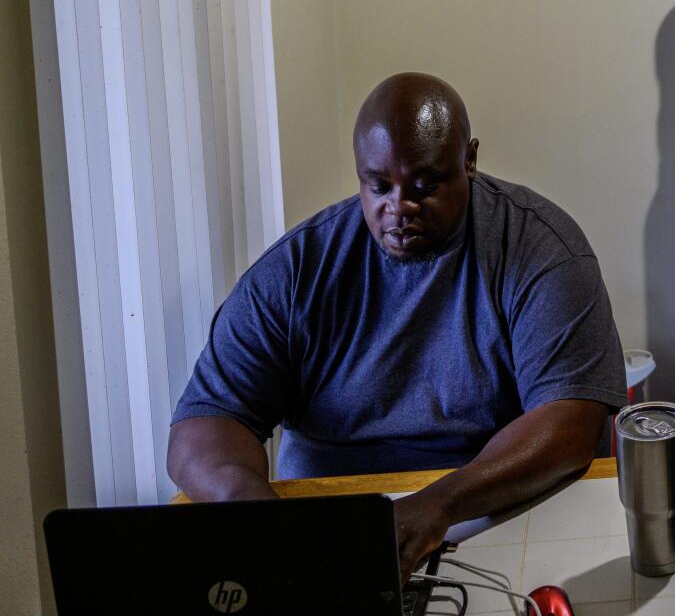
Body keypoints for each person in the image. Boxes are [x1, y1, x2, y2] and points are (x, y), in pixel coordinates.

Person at [167, 72, 626, 575]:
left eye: (424, 185)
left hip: (496, 506)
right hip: (331, 519)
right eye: (379, 186)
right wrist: (253, 509)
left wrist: (436, 506)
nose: (399, 208)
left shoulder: (538, 247)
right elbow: (204, 422)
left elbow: (572, 421)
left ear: (469, 160)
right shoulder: (299, 268)